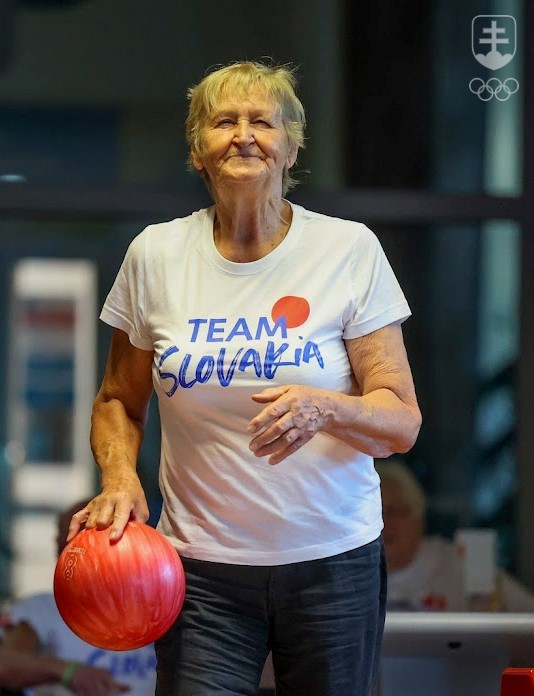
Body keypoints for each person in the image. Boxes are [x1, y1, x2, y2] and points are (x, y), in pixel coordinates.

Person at [67, 60, 422, 696]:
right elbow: (119, 399)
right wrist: (120, 479)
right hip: (201, 571)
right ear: (197, 150)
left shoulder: (348, 251)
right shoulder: (156, 255)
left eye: (263, 121)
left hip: (334, 561)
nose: (244, 135)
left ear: (291, 146)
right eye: (223, 121)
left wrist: (326, 408)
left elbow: (400, 421)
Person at [0, 500, 156, 695]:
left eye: (77, 533)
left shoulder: (154, 608)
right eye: (63, 537)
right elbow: (5, 665)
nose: (63, 545)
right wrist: (69, 671)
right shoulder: (42, 608)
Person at [377, 459, 534, 612]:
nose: (382, 524)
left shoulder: (462, 564)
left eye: (391, 512)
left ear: (417, 515)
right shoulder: (354, 571)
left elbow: (527, 613)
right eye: (374, 514)